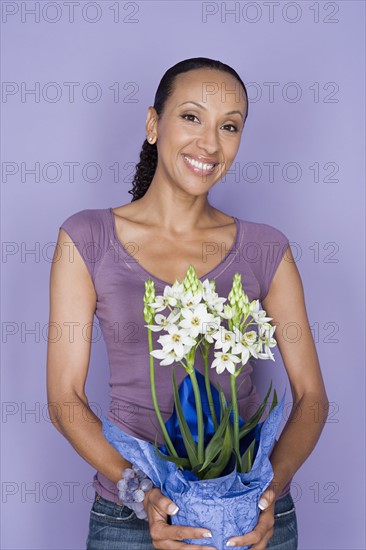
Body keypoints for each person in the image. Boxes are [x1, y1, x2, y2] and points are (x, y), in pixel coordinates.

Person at [47, 57, 329, 550]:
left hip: (249, 519)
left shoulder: (266, 249)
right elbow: (64, 400)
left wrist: (266, 494)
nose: (210, 143)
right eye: (191, 117)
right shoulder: (86, 238)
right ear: (154, 124)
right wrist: (142, 493)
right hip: (129, 518)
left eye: (229, 126)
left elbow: (312, 399)